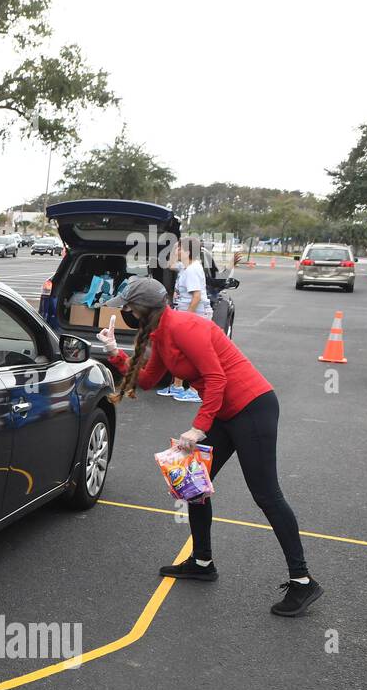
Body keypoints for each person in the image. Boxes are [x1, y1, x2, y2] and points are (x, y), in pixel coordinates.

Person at [97, 276, 322, 617]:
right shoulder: (161, 334)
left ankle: (303, 580)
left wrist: (199, 428)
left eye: (126, 307)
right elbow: (146, 380)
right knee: (193, 484)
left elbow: (217, 378)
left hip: (252, 408)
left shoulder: (186, 327)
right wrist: (115, 352)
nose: (124, 313)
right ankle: (202, 562)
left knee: (266, 495)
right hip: (226, 412)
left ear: (141, 309)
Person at [158, 235, 211, 402]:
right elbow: (169, 265)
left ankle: (196, 391)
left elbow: (196, 297)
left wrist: (187, 318)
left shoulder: (192, 270)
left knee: (194, 354)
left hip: (195, 317)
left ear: (188, 251)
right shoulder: (185, 266)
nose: (177, 250)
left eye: (180, 247)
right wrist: (174, 250)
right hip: (185, 314)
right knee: (179, 351)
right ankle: (177, 386)